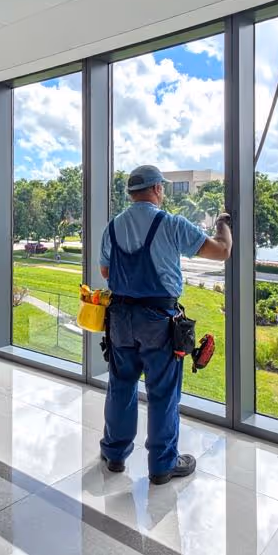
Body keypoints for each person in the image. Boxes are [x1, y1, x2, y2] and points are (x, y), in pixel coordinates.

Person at [99, 165, 232, 485]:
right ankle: (162, 465)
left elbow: (106, 272)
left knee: (121, 387)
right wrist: (223, 224)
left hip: (119, 318)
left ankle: (114, 454)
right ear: (158, 189)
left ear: (131, 193)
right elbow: (221, 252)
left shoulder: (113, 227)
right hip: (159, 321)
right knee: (162, 393)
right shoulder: (172, 224)